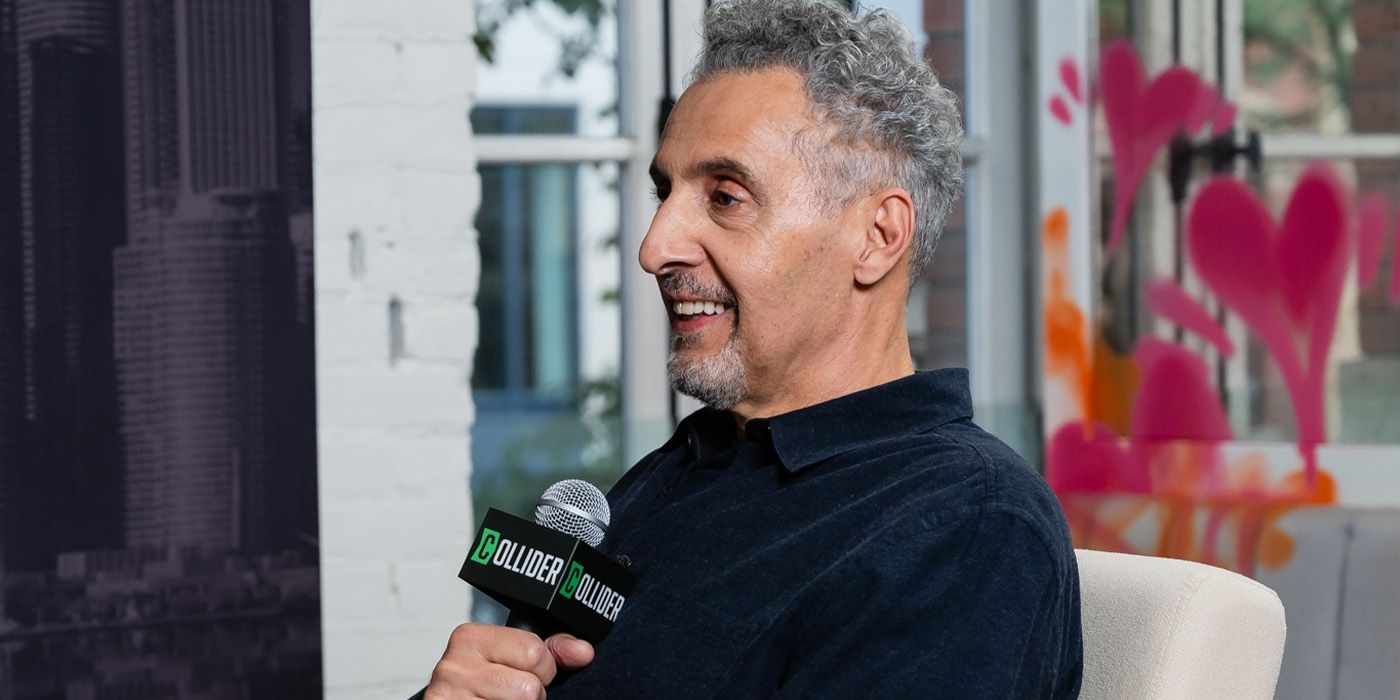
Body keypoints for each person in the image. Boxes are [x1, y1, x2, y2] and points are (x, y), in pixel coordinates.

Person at [425, 0, 1082, 697]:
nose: (655, 248)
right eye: (665, 193)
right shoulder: (682, 468)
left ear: (878, 237)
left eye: (726, 197)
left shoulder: (967, 529)